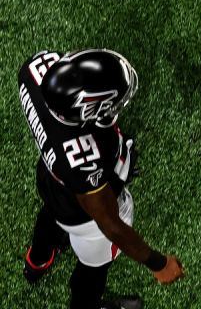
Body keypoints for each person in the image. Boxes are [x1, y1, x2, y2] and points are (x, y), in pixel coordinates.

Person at [18, 50, 185, 309]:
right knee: (94, 268)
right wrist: (158, 263)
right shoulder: (83, 162)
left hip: (51, 180)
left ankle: (36, 262)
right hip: (83, 216)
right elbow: (110, 224)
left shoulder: (34, 70)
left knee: (50, 214)